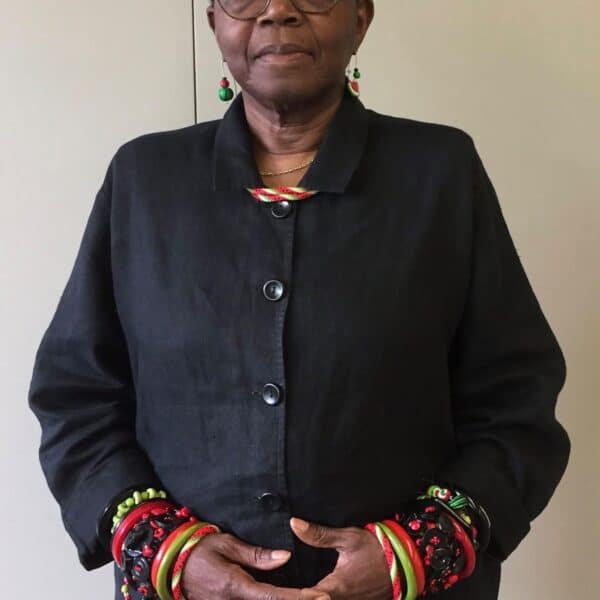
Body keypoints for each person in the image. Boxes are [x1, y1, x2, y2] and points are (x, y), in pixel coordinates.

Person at [27, 0, 571, 599]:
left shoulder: (439, 174)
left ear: (360, 19)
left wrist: (410, 553)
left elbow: (515, 406)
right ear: (215, 23)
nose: (277, 11)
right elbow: (77, 399)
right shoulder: (144, 181)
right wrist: (170, 551)